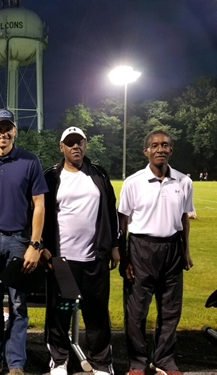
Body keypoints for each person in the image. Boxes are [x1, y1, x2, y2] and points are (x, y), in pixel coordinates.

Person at [0, 109, 48, 375]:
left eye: (8, 128)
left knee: (17, 306)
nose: (3, 133)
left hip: (19, 241)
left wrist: (35, 244)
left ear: (14, 130)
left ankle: (16, 363)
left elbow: (39, 205)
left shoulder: (30, 160)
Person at [41, 127, 119, 375]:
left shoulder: (98, 174)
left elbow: (111, 211)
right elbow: (38, 213)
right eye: (70, 143)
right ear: (61, 147)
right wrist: (42, 247)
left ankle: (101, 362)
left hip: (94, 259)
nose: (76, 147)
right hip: (62, 262)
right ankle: (60, 359)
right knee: (61, 312)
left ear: (85, 145)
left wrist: (115, 245)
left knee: (96, 313)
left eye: (80, 142)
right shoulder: (51, 177)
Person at [118, 130, 194, 375]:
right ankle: (138, 361)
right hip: (142, 249)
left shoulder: (184, 181)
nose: (160, 149)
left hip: (172, 248)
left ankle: (163, 359)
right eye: (155, 145)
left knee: (171, 309)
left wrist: (185, 250)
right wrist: (124, 256)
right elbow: (123, 222)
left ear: (171, 150)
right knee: (136, 310)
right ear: (146, 151)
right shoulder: (133, 182)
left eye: (165, 145)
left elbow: (184, 218)